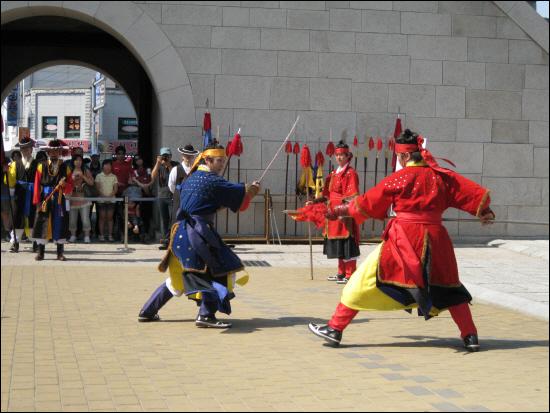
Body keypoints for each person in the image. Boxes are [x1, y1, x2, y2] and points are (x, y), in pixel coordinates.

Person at [307, 129, 495, 352]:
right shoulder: (441, 177)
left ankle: (335, 328)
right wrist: (485, 211)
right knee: (449, 286)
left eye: (398, 157)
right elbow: (469, 193)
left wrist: (338, 211)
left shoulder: (400, 178)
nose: (399, 160)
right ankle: (470, 336)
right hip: (437, 238)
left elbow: (367, 203)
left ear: (405, 156)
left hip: (405, 238)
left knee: (362, 279)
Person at [138, 143, 261, 328]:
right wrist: (250, 191)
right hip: (196, 235)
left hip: (180, 233)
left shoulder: (191, 177)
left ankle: (147, 311)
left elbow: (208, 205)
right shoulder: (211, 180)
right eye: (219, 161)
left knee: (178, 279)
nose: (222, 164)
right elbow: (237, 194)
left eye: (223, 160)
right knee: (219, 272)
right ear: (208, 160)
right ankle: (205, 315)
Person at [309, 141, 360, 284]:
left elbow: (353, 196)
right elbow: (327, 194)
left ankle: (350, 273)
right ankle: (341, 272)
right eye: (337, 155)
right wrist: (314, 201)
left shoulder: (351, 173)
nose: (339, 158)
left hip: (344, 213)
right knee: (338, 243)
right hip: (332, 213)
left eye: (342, 155)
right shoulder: (333, 174)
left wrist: (344, 209)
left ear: (347, 156)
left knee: (347, 242)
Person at [31, 140, 73, 261]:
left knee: (60, 223)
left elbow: (70, 186)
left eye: (56, 151)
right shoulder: (41, 166)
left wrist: (65, 185)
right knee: (42, 223)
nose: (54, 153)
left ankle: (60, 253)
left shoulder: (66, 167)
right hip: (45, 198)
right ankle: (41, 252)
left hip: (59, 199)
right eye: (52, 151)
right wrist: (37, 202)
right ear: (48, 152)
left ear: (60, 152)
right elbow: (37, 185)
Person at [150, 147, 179, 250]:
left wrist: (169, 165)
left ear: (171, 156)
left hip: (172, 196)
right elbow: (152, 177)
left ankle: (173, 240)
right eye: (164, 156)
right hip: (162, 196)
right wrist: (158, 163)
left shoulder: (175, 165)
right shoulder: (160, 165)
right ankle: (165, 241)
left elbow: (175, 177)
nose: (166, 158)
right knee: (164, 219)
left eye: (167, 156)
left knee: (173, 218)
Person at [168, 144, 198, 228]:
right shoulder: (175, 169)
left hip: (193, 201)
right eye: (186, 155)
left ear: (193, 156)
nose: (188, 157)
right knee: (177, 224)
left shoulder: (197, 170)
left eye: (190, 155)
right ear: (182, 156)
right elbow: (171, 185)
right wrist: (179, 193)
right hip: (179, 201)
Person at [68, 154, 94, 243]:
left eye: (80, 160)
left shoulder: (85, 170)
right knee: (72, 220)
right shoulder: (70, 170)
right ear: (73, 161)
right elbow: (65, 183)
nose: (78, 162)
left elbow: (91, 183)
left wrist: (83, 177)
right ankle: (73, 235)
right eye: (76, 160)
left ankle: (87, 236)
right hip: (72, 199)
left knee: (86, 219)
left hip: (84, 198)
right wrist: (73, 179)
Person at [111, 145, 132, 240]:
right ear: (116, 155)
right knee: (113, 215)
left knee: (123, 215)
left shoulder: (128, 165)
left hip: (125, 193)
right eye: (119, 154)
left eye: (122, 154)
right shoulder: (112, 165)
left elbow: (131, 177)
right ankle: (113, 234)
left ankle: (123, 235)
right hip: (113, 193)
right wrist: (115, 183)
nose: (121, 155)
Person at [130, 154, 153, 241]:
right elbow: (133, 181)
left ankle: (146, 234)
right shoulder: (134, 170)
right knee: (136, 216)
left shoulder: (148, 169)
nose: (139, 161)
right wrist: (140, 184)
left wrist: (145, 186)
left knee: (146, 216)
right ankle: (137, 235)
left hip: (147, 195)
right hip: (137, 195)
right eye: (137, 160)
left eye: (140, 159)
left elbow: (151, 179)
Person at [95, 159, 118, 242]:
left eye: (109, 165)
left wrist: (109, 196)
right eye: (106, 165)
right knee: (102, 218)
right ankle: (101, 235)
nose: (108, 167)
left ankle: (110, 235)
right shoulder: (98, 176)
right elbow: (97, 188)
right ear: (103, 166)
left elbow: (115, 189)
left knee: (110, 218)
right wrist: (104, 196)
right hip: (101, 200)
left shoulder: (114, 176)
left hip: (111, 200)